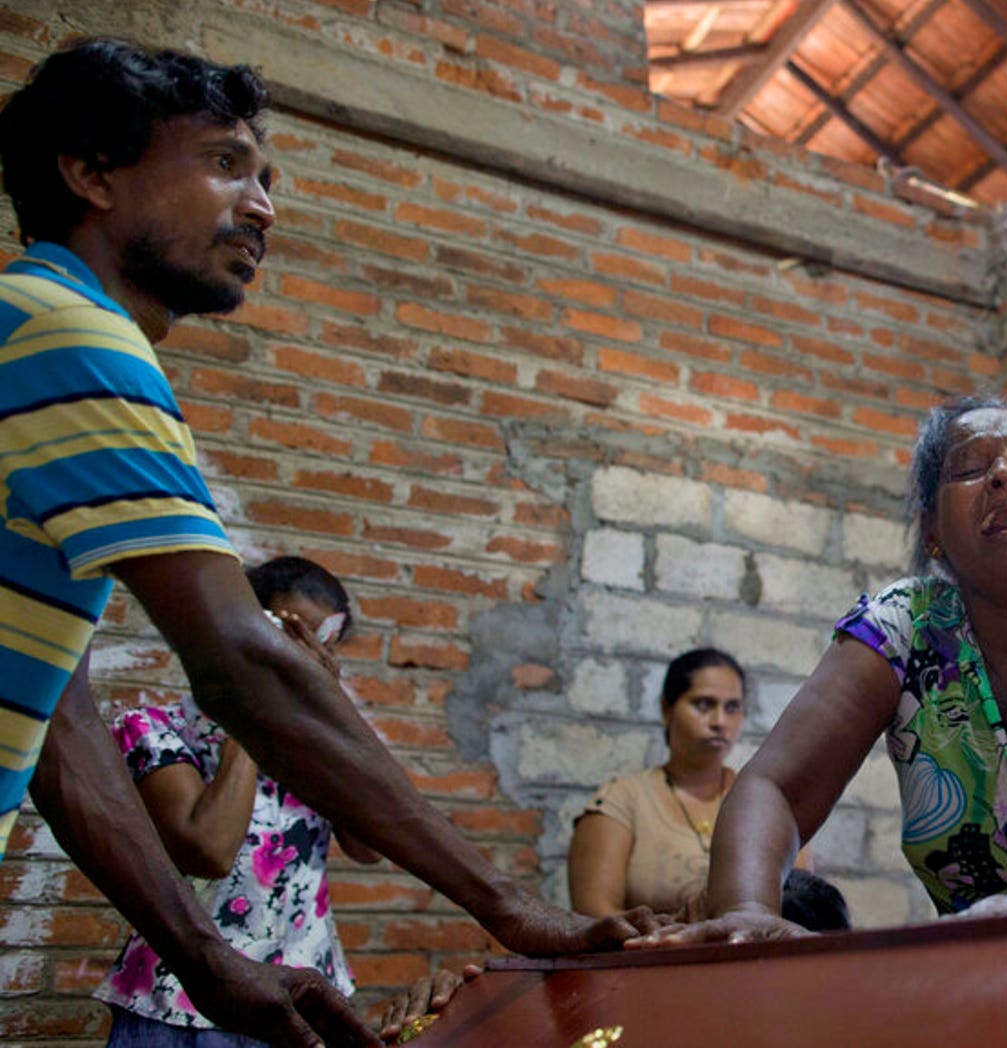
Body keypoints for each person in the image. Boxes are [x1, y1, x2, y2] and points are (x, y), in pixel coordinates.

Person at [0, 40, 642, 1045]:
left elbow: (54, 723)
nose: (262, 206)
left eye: (268, 178)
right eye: (223, 164)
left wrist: (206, 959)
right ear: (90, 172)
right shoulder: (68, 332)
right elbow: (239, 659)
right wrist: (505, 902)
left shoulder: (27, 325)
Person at [634, 396, 1007, 945]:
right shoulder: (904, 629)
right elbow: (776, 788)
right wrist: (744, 912)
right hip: (1005, 988)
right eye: (971, 469)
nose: (1004, 475)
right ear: (932, 533)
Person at [96, 558, 381, 1046]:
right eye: (281, 636)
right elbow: (209, 851)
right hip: (183, 1007)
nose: (291, 660)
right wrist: (253, 712)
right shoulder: (155, 729)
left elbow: (369, 846)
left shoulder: (318, 746)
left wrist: (329, 716)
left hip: (305, 1005)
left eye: (313, 646)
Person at [570, 648, 816, 920]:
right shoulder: (622, 801)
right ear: (667, 709)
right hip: (652, 959)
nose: (719, 721)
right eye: (704, 704)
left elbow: (801, 904)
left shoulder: (769, 803)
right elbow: (593, 916)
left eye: (732, 707)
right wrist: (668, 936)